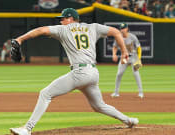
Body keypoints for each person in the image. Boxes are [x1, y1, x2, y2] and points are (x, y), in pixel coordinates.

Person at [10, 8, 138, 135]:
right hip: (93, 73)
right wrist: (124, 52)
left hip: (80, 73)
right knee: (99, 106)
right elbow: (116, 32)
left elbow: (41, 30)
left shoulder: (63, 29)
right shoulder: (93, 27)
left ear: (70, 19)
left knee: (45, 94)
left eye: (63, 19)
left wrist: (20, 39)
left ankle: (27, 129)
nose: (61, 22)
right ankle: (129, 121)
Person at [111, 23, 144, 98]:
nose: (122, 30)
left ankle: (141, 92)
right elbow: (114, 47)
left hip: (134, 57)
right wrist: (114, 54)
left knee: (136, 73)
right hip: (124, 58)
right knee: (119, 74)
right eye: (121, 29)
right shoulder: (118, 37)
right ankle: (116, 92)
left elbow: (139, 48)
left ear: (127, 29)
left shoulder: (132, 37)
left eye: (123, 28)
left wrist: (139, 58)